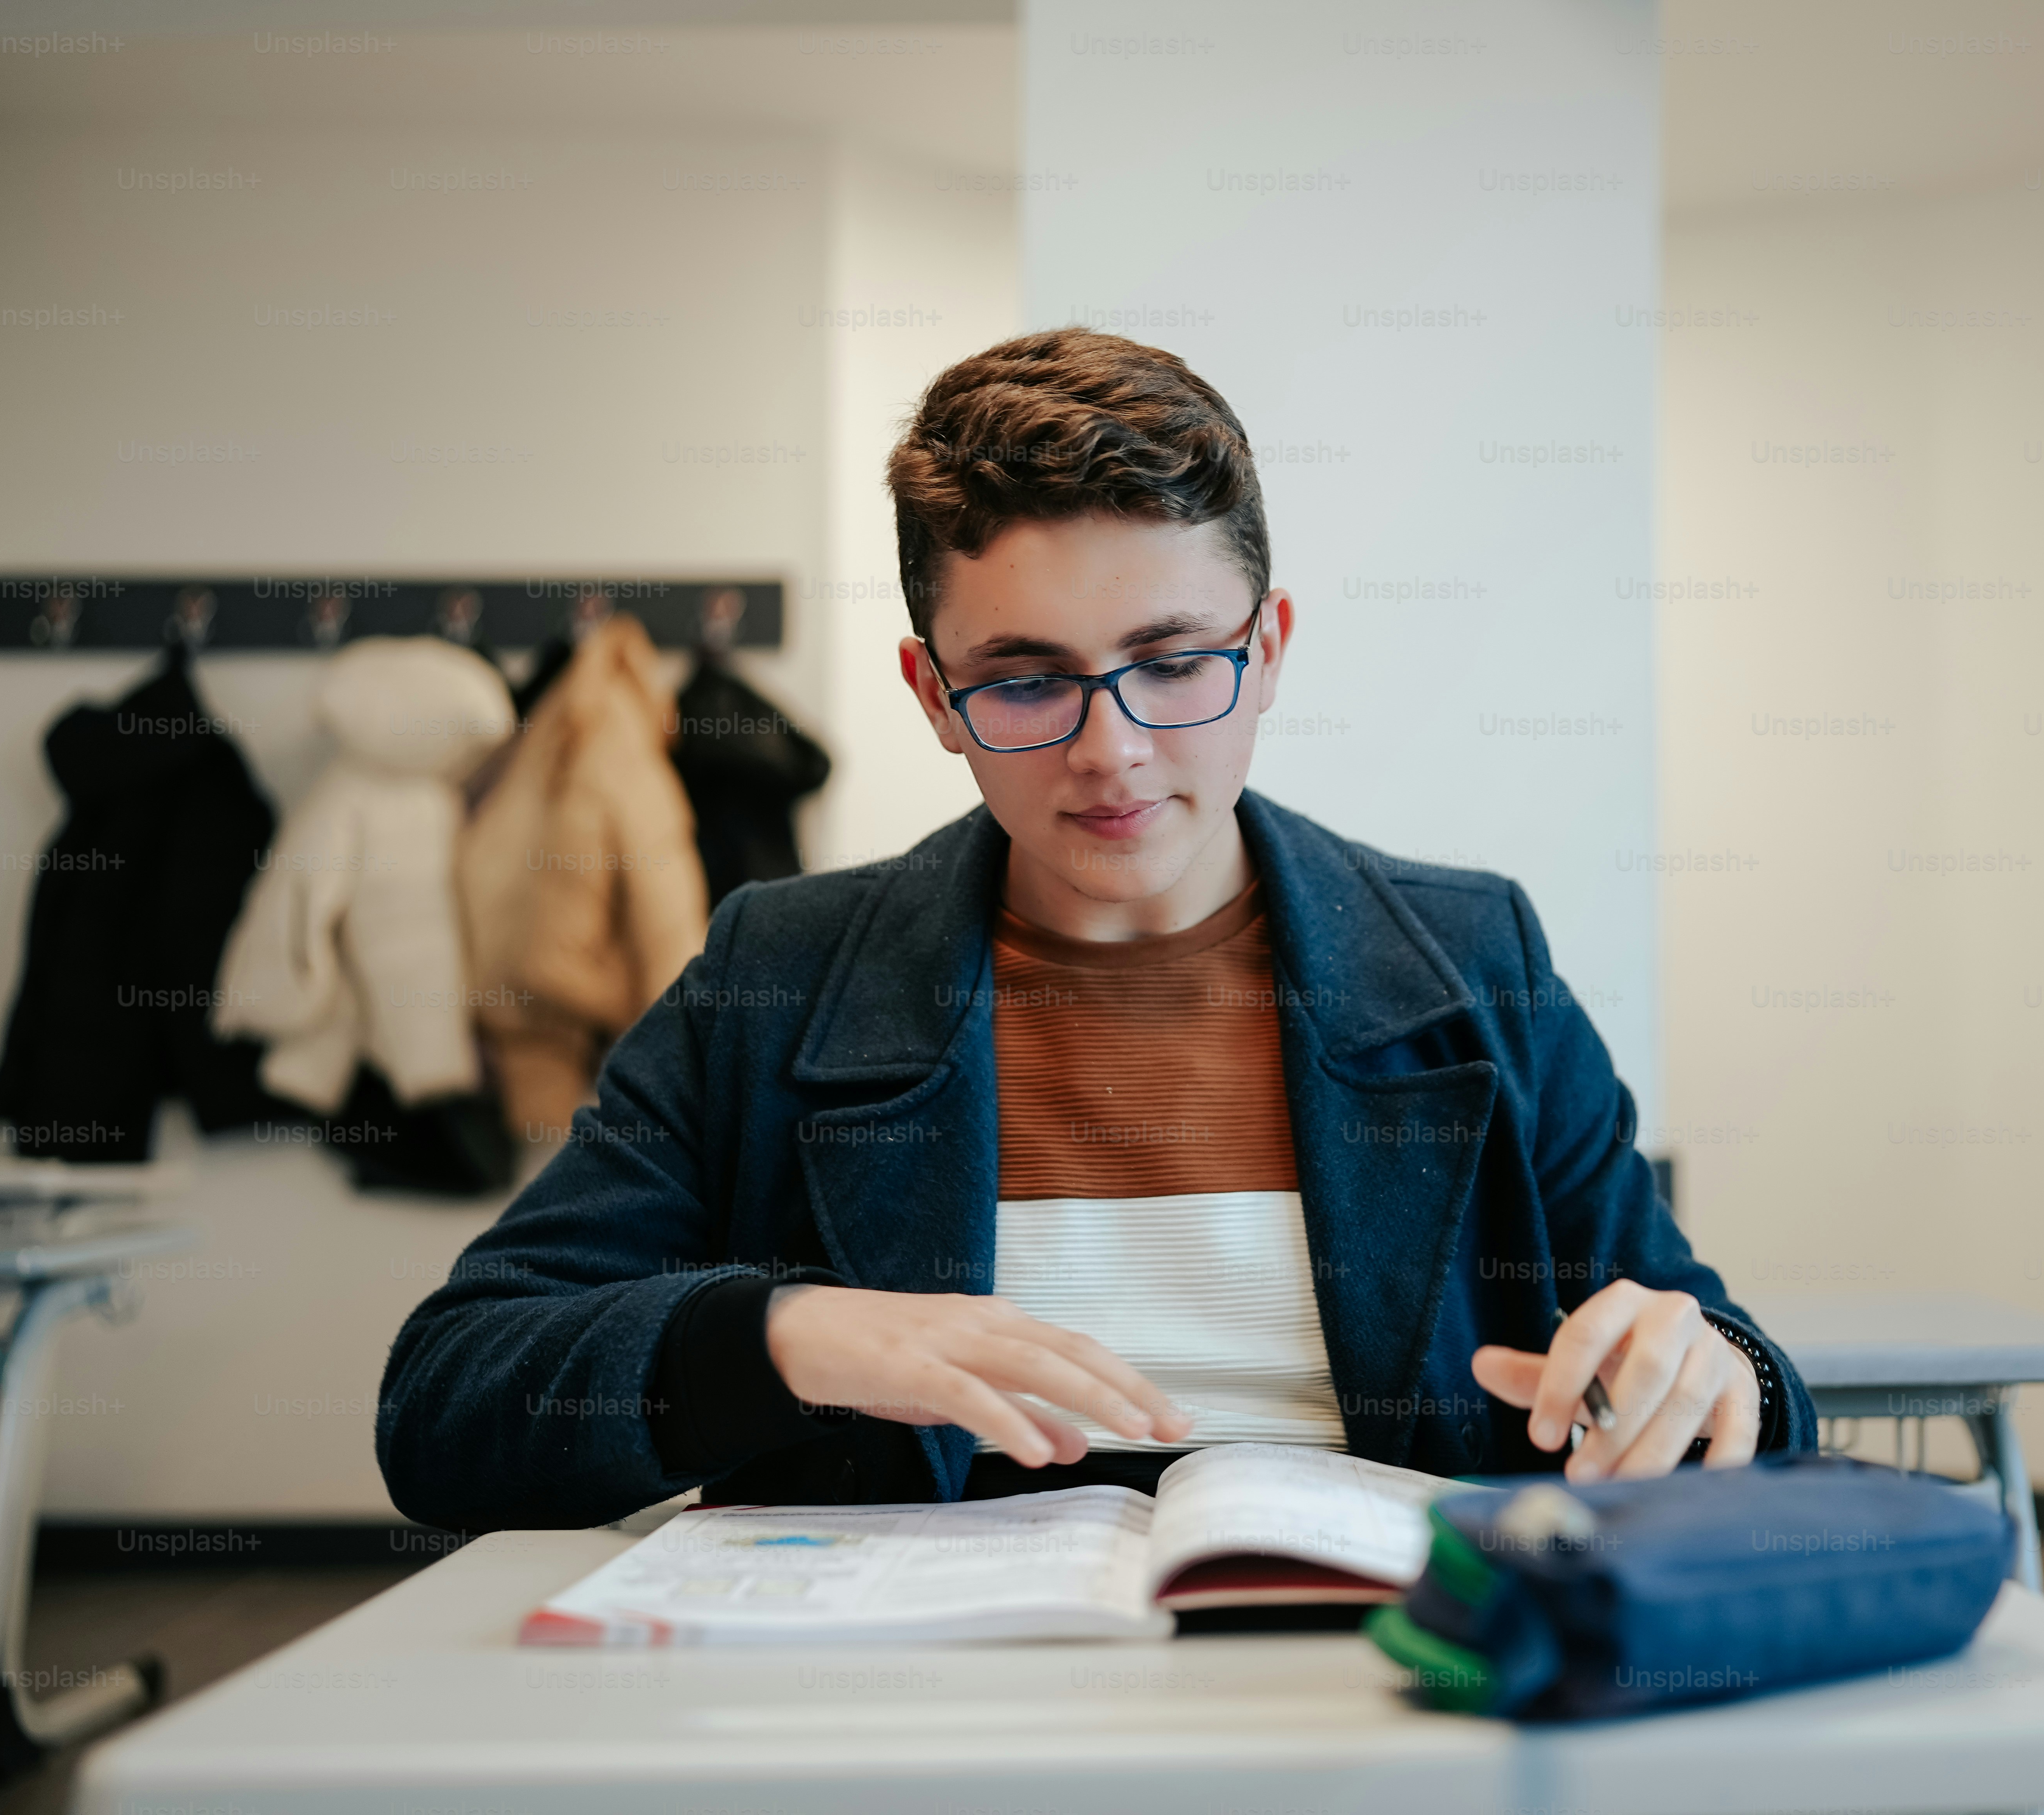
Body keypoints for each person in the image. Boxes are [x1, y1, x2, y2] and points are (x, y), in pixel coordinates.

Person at [377, 328, 1813, 1531]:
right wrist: (781, 1332)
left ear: (1270, 651)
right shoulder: (783, 971)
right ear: (933, 697)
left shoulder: (1468, 959)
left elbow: (1732, 1371)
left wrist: (1714, 1372)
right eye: (1024, 680)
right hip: (921, 1718)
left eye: (1173, 661)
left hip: (1387, 1697)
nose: (1112, 751)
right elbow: (446, 1405)